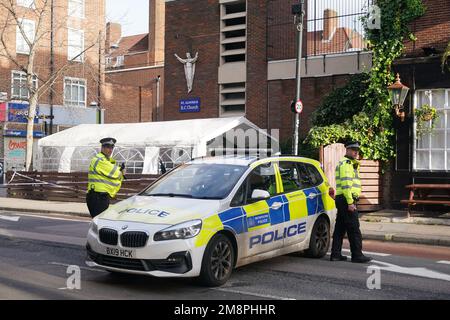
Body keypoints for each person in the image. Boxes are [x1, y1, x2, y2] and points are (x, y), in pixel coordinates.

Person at [330, 141, 372, 263]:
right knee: (354, 228)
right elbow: (346, 185)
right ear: (347, 150)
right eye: (353, 149)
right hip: (346, 199)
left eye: (357, 150)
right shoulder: (346, 164)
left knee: (340, 228)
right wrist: (350, 202)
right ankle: (357, 255)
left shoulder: (349, 164)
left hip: (343, 198)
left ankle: (336, 254)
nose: (356, 152)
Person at [86, 138, 124, 218]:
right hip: (97, 197)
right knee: (99, 222)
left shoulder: (107, 161)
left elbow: (116, 174)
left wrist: (120, 172)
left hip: (100, 197)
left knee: (100, 223)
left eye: (111, 148)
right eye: (108, 147)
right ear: (102, 148)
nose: (110, 150)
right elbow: (117, 174)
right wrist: (121, 171)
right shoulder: (100, 160)